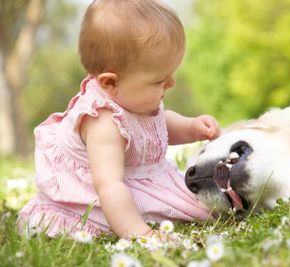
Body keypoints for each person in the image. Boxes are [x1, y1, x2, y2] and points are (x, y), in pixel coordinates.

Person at [18, 0, 221, 239]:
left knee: (206, 205)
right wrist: (140, 233)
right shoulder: (102, 123)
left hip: (139, 180)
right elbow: (110, 186)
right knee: (193, 211)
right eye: (159, 81)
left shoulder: (132, 94)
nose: (171, 84)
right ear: (110, 83)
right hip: (103, 199)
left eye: (170, 74)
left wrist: (190, 127)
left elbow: (157, 126)